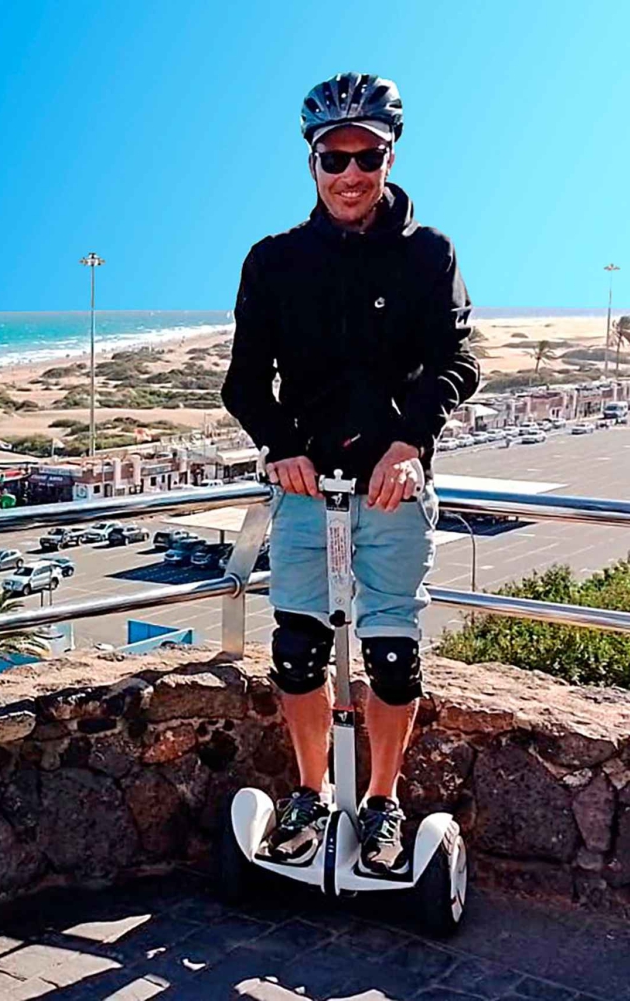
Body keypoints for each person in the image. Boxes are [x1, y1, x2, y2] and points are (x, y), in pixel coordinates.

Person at [220, 73, 479, 876]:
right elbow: (242, 381)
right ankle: (307, 791)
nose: (351, 174)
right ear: (312, 163)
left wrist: (409, 441)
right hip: (304, 490)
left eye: (366, 155)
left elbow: (459, 359)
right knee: (296, 649)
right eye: (335, 157)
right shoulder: (274, 262)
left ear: (389, 156)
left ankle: (381, 801)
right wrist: (279, 443)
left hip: (392, 489)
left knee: (393, 655)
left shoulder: (430, 254)